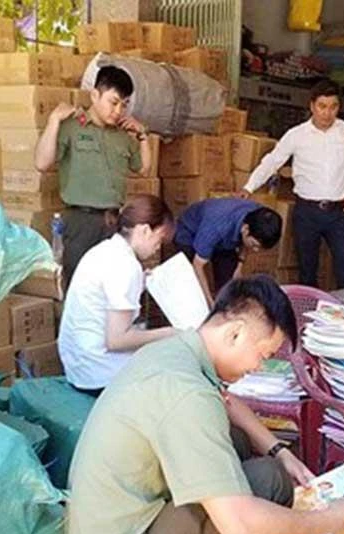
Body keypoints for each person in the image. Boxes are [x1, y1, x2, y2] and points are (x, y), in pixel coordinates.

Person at [66, 276, 344, 534]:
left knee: (239, 444)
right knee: (267, 483)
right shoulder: (188, 394)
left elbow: (226, 402)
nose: (258, 367)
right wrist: (330, 521)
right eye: (263, 355)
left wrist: (280, 451)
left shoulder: (175, 352)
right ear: (235, 333)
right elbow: (239, 525)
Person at [239, 79, 344, 289]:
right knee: (307, 270)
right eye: (322, 106)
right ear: (312, 106)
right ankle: (309, 309)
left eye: (333, 107)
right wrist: (249, 187)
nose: (327, 113)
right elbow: (273, 161)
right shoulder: (296, 135)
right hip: (306, 212)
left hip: (340, 212)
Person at [34, 66, 154, 290]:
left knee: (115, 288)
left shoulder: (123, 136)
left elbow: (144, 169)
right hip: (81, 222)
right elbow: (41, 163)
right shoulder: (71, 127)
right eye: (113, 102)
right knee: (79, 287)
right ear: (95, 95)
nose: (118, 111)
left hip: (114, 222)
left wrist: (143, 136)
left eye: (124, 105)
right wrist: (53, 121)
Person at [58, 195, 177, 397]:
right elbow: (117, 340)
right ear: (145, 230)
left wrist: (143, 282)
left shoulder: (105, 250)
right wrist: (169, 334)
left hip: (77, 365)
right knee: (172, 368)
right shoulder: (127, 265)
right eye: (159, 240)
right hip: (99, 374)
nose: (158, 248)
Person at [174, 198, 283, 307]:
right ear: (245, 229)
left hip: (224, 239)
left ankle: (223, 307)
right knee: (192, 286)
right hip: (190, 233)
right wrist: (209, 301)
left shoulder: (259, 216)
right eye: (254, 245)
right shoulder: (216, 226)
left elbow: (245, 242)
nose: (255, 250)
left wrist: (239, 266)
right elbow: (197, 265)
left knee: (228, 282)